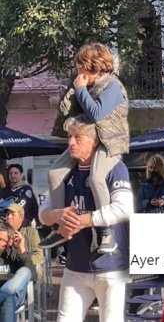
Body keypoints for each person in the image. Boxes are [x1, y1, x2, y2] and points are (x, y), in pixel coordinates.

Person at [39, 116, 132, 322]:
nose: (71, 142)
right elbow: (42, 213)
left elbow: (124, 209)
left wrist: (84, 220)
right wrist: (57, 216)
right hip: (76, 266)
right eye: (70, 137)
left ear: (95, 140)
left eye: (78, 138)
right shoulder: (66, 171)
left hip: (111, 266)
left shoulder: (114, 168)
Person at [43, 42, 129, 254]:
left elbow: (95, 114)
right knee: (54, 173)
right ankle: (61, 226)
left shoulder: (113, 86)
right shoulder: (84, 86)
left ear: (97, 67)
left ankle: (106, 232)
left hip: (110, 142)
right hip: (87, 140)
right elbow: (70, 115)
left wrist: (81, 89)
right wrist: (71, 94)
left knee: (96, 178)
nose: (78, 71)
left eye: (82, 66)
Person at [0, 223, 35, 322]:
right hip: (9, 300)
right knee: (8, 300)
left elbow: (32, 275)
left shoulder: (13, 255)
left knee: (25, 271)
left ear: (9, 242)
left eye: (2, 240)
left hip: (15, 294)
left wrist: (22, 249)